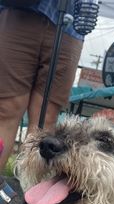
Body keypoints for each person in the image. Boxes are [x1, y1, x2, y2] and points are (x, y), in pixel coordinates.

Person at [0, 0, 84, 171]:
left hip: (71, 22)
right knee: (6, 109)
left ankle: (32, 193)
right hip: (18, 11)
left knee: (46, 118)